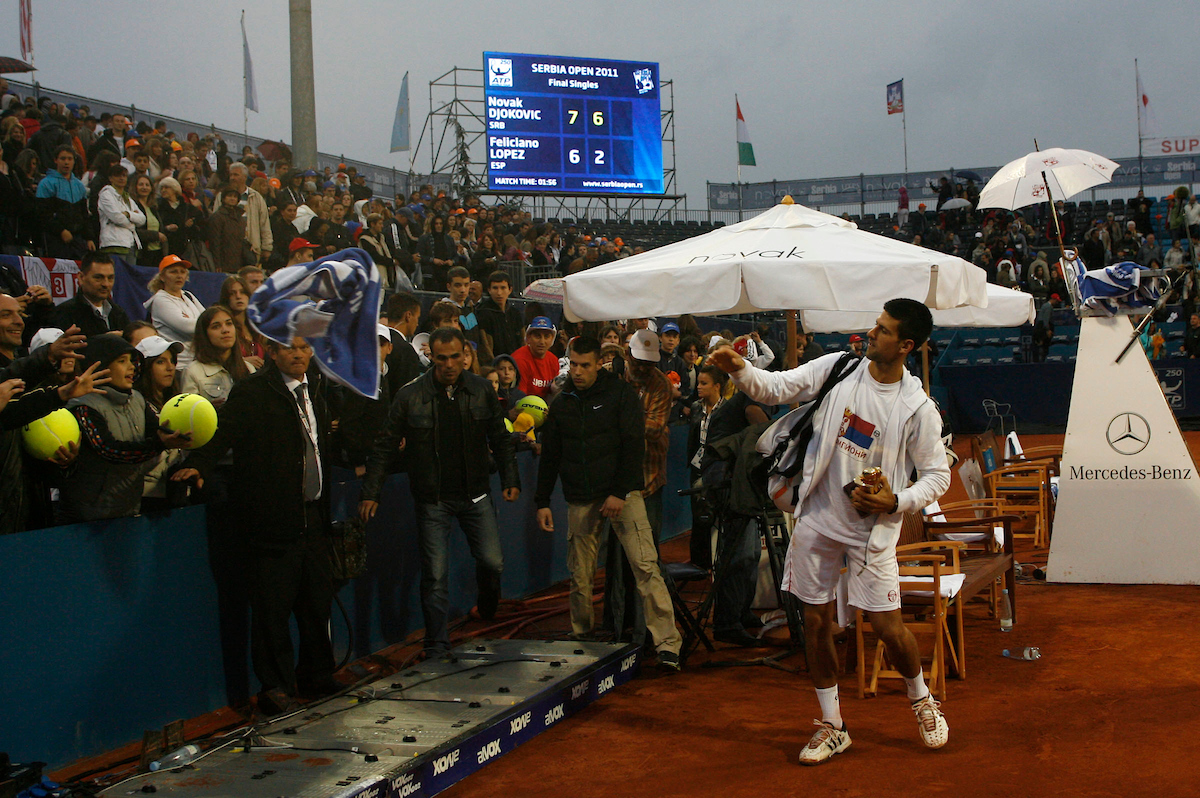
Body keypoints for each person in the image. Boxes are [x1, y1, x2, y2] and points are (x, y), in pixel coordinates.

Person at [707, 298, 952, 763]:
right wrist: (739, 369)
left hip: (871, 534)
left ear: (906, 345)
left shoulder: (918, 408)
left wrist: (896, 501)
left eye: (883, 330)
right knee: (815, 623)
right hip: (817, 520)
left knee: (888, 627)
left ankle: (921, 698)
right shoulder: (840, 368)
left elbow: (938, 476)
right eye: (875, 324)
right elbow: (776, 387)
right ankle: (833, 725)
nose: (872, 333)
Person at [173, 337, 339, 716]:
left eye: (304, 347)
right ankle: (275, 687)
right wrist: (198, 463)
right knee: (272, 610)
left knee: (317, 604)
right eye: (289, 347)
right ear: (272, 352)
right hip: (271, 519)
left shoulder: (316, 388)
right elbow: (223, 432)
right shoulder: (252, 392)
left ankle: (317, 674)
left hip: (314, 516)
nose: (298, 354)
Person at [358, 327, 519, 656]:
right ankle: (436, 643)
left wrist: (510, 479)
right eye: (442, 358)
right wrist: (371, 491)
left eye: (455, 357)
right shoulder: (410, 395)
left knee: (493, 563)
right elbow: (385, 446)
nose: (448, 364)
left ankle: (488, 606)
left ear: (465, 356)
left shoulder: (480, 389)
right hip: (433, 498)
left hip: (475, 493)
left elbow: (501, 438)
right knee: (434, 576)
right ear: (431, 357)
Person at [534, 335, 683, 671]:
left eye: (585, 365)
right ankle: (582, 636)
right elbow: (551, 454)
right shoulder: (562, 403)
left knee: (645, 566)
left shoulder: (620, 394)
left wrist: (619, 491)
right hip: (581, 496)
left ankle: (668, 645)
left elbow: (633, 444)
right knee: (580, 573)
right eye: (574, 364)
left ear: (598, 364)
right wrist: (542, 500)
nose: (577, 371)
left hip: (624, 494)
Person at [59, 335, 191, 522]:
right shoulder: (83, 406)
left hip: (128, 508)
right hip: (88, 516)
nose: (132, 367)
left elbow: (158, 432)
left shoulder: (137, 399)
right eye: (122, 361)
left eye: (131, 361)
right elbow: (110, 450)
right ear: (100, 368)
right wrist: (159, 444)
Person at [180, 304, 255, 407]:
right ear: (204, 334)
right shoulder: (193, 372)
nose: (225, 330)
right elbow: (189, 412)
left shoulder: (249, 368)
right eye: (216, 326)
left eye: (229, 324)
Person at [143, 254, 206, 372]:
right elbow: (187, 327)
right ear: (162, 277)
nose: (179, 276)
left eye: (182, 272)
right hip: (177, 366)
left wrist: (195, 322)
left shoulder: (188, 296)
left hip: (197, 363)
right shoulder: (160, 300)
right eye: (173, 272)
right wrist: (197, 323)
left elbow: (209, 318)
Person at [51, 252, 130, 337]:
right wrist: (105, 341)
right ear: (81, 278)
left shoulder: (119, 313)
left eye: (110, 278)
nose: (106, 284)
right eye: (98, 278)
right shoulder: (64, 314)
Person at [36, 146, 93, 259]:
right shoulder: (46, 184)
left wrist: (89, 238)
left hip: (77, 240)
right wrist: (61, 231)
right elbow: (43, 214)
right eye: (62, 158)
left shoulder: (79, 185)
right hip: (55, 239)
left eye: (69, 159)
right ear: (55, 160)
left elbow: (84, 214)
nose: (66, 162)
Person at [96, 164, 144, 257]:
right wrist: (132, 224)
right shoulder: (106, 195)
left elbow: (142, 219)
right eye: (117, 175)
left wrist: (128, 214)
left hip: (131, 243)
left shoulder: (127, 198)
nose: (121, 178)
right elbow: (117, 217)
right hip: (113, 242)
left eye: (124, 175)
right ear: (110, 178)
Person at [219, 276, 264, 368]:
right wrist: (243, 361)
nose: (238, 296)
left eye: (242, 292)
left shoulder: (255, 326)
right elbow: (215, 359)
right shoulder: (223, 327)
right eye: (232, 293)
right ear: (226, 298)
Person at [476, 271, 524, 356]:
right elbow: (485, 345)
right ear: (489, 290)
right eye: (495, 288)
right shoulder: (483, 313)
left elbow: (522, 340)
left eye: (503, 288)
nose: (499, 293)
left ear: (510, 290)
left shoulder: (514, 313)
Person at [510, 316, 560, 398]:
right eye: (537, 336)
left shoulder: (553, 360)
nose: (542, 342)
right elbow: (519, 397)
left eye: (546, 336)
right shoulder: (519, 360)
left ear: (552, 339)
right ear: (528, 338)